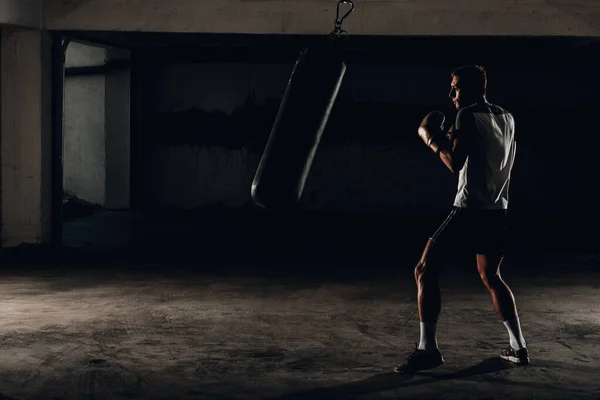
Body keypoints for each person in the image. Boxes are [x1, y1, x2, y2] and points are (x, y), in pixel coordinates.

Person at [394, 65, 529, 374]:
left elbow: (455, 163)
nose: (450, 94)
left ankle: (427, 350)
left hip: (469, 209)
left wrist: (431, 138)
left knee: (424, 270)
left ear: (469, 89)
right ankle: (519, 348)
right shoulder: (506, 117)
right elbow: (482, 149)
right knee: (491, 276)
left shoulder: (467, 115)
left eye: (454, 88)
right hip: (498, 210)